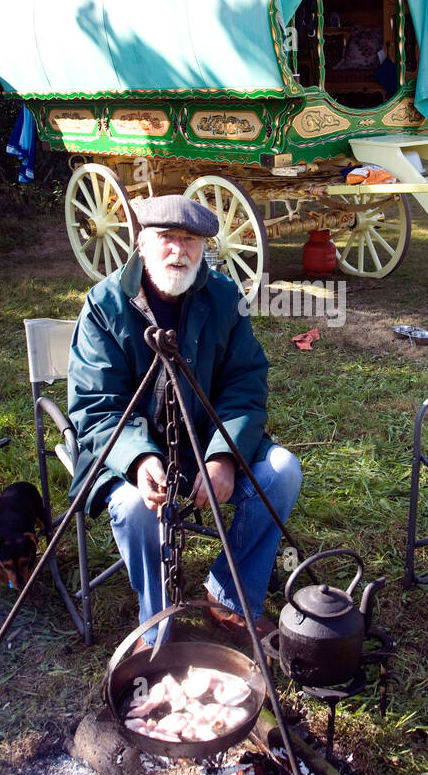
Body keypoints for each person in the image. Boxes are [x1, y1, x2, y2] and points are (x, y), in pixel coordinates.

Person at [67, 194, 302, 644]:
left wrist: (223, 458)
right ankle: (158, 623)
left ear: (204, 247)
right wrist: (139, 460)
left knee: (282, 472)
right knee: (137, 507)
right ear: (140, 242)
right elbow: (97, 407)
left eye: (190, 240)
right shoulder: (105, 305)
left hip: (206, 444)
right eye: (166, 238)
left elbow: (245, 386)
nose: (179, 250)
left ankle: (230, 599)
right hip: (127, 457)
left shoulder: (224, 296)